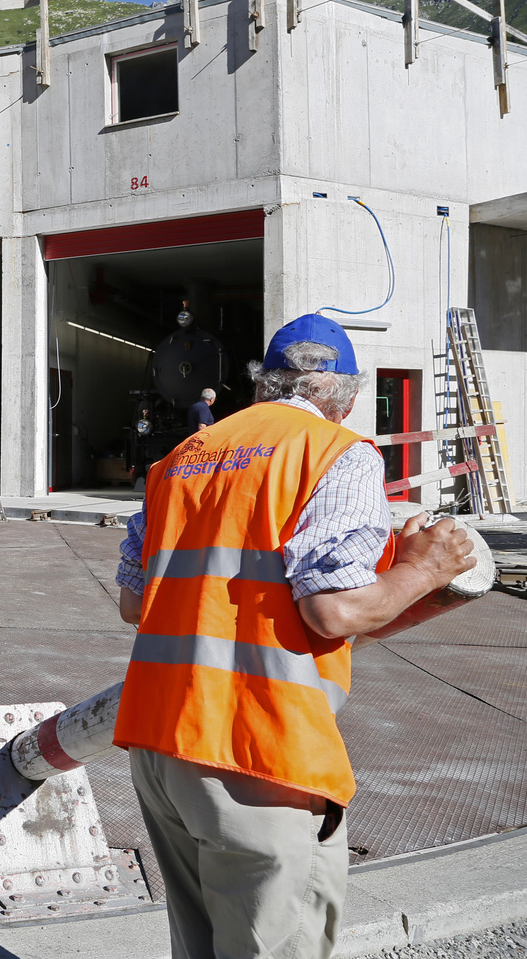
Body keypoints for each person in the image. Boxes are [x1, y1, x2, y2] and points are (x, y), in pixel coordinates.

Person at [112, 313, 475, 959]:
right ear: (349, 397)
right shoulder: (337, 455)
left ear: (263, 385)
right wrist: (424, 568)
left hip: (160, 748)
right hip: (258, 755)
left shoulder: (178, 461)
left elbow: (135, 601)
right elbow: (331, 612)